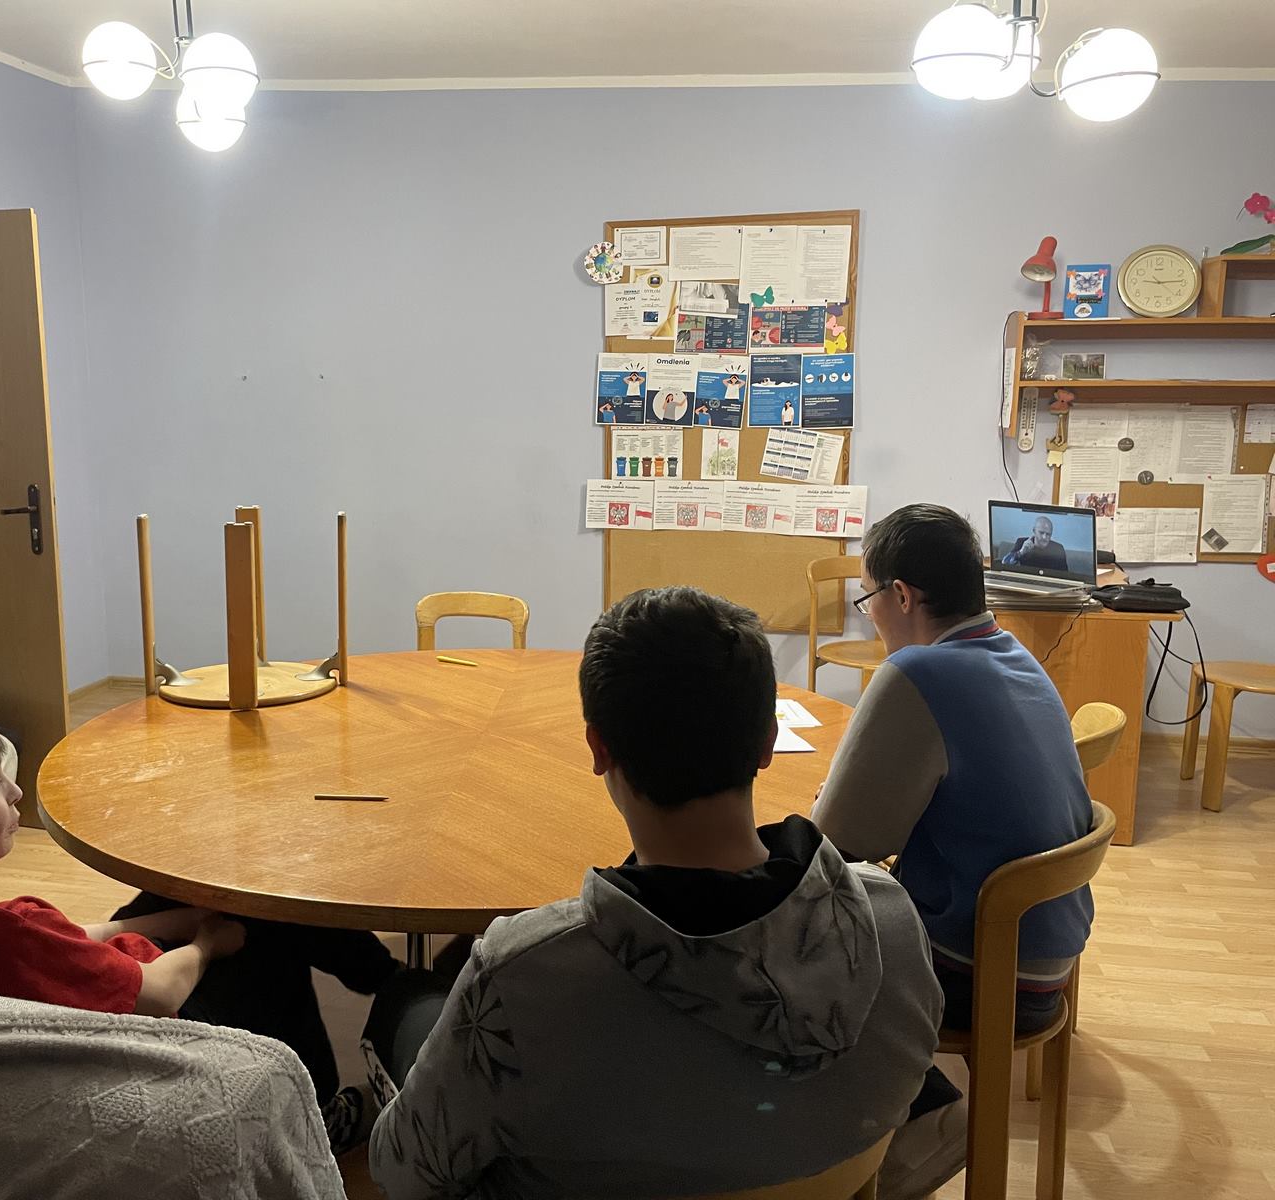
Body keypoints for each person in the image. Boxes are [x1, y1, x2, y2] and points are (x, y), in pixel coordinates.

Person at [366, 587, 950, 1200]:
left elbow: (403, 1174)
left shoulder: (523, 980)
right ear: (766, 742)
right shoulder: (892, 924)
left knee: (406, 1000)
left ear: (599, 749)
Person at [0, 695, 398, 1151]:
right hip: (148, 1020)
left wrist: (173, 918)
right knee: (265, 917)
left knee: (208, 885)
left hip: (76, 982)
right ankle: (324, 1108)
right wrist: (206, 942)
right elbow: (157, 993)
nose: (16, 791)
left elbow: (58, 940)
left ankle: (386, 979)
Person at [812, 504, 1093, 1033]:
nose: (869, 615)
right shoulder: (1015, 653)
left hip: (975, 969)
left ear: (901, 596)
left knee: (793, 927)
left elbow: (837, 842)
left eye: (868, 599)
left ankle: (871, 1078)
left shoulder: (917, 669)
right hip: (1044, 955)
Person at [1003, 514, 1069, 571]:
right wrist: (1020, 553)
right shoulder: (1022, 542)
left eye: (1048, 534)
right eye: (1041, 533)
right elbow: (1004, 564)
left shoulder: (1058, 548)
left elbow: (1065, 574)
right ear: (1034, 531)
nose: (1044, 537)